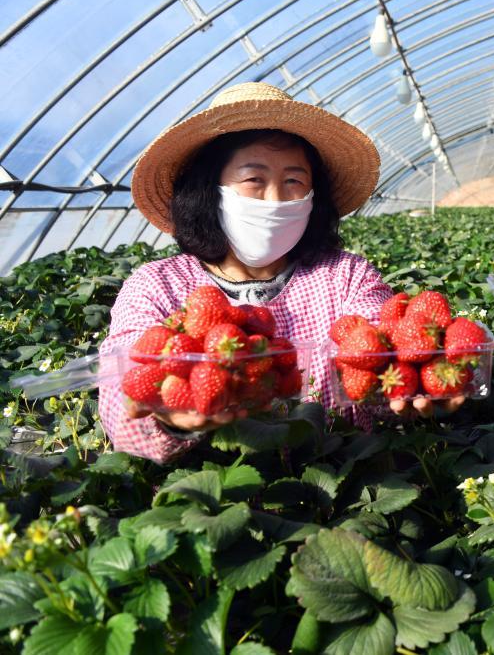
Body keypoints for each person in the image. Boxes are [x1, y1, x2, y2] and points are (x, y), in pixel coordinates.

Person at [99, 82, 460, 463]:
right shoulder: (157, 286)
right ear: (209, 190)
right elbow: (120, 401)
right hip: (216, 490)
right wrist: (170, 419)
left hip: (344, 478)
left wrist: (414, 386)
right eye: (254, 180)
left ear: (313, 195)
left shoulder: (346, 277)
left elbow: (385, 356)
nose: (275, 199)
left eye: (293, 181)